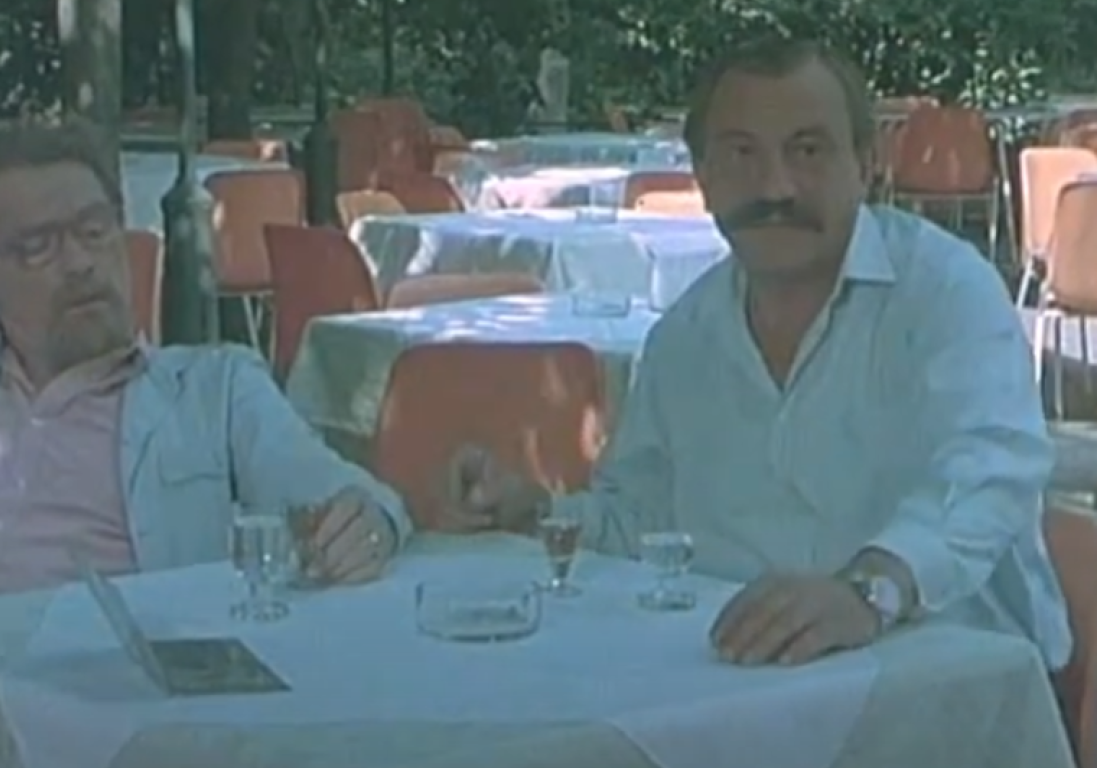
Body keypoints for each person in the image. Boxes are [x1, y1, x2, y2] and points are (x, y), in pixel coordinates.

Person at [442, 38, 1070, 668]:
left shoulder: (945, 292)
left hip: (957, 680)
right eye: (742, 154)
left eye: (808, 151)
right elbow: (639, 521)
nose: (775, 186)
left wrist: (869, 590)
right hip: (755, 686)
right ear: (704, 176)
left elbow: (992, 471)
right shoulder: (685, 339)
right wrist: (535, 512)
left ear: (865, 165)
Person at [0, 118, 410, 616]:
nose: (81, 262)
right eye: (40, 247)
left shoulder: (214, 390)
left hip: (95, 703)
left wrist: (367, 522)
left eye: (95, 231)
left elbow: (340, 493)